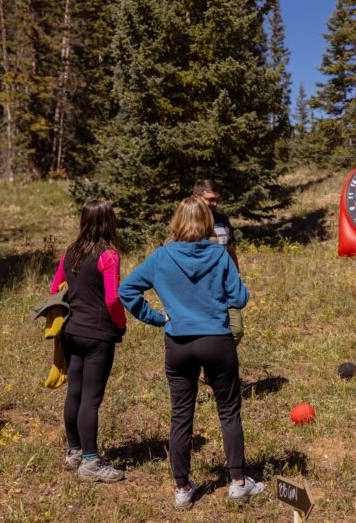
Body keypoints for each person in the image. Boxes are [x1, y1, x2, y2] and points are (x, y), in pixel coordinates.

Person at [119, 197, 262, 510]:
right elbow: (239, 298)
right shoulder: (219, 255)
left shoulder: (161, 257)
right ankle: (238, 482)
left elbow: (126, 290)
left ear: (177, 222)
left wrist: (158, 317)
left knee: (181, 415)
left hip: (179, 343)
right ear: (207, 223)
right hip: (216, 340)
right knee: (228, 410)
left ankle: (183, 487)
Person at [49, 200, 152, 482]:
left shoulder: (70, 251)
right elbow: (112, 298)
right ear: (109, 222)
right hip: (97, 334)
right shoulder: (108, 255)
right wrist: (120, 323)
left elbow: (54, 288)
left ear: (84, 220)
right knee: (91, 400)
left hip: (71, 330)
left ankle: (74, 452)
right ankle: (91, 462)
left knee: (75, 392)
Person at [193, 179, 243, 342]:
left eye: (217, 199)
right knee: (203, 331)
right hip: (200, 285)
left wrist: (237, 273)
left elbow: (229, 248)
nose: (214, 203)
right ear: (197, 196)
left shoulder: (222, 219)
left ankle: (219, 363)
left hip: (225, 282)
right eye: (210, 199)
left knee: (236, 330)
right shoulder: (189, 221)